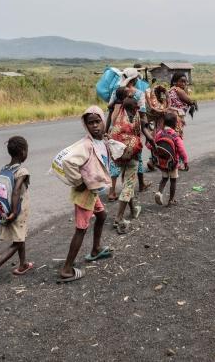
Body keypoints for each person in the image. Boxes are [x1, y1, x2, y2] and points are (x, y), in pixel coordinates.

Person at [58, 106, 113, 283]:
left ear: (103, 122)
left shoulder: (100, 141)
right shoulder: (86, 144)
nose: (95, 126)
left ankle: (96, 249)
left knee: (102, 215)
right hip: (85, 194)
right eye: (91, 123)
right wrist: (79, 182)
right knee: (81, 229)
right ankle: (67, 268)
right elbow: (67, 162)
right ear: (86, 125)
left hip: (92, 192)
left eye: (98, 122)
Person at [0, 136, 33, 287]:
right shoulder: (22, 171)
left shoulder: (4, 169)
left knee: (20, 237)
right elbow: (16, 191)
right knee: (18, 241)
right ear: (23, 152)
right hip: (17, 211)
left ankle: (23, 264)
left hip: (4, 209)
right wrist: (13, 212)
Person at [109, 96, 153, 234]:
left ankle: (133, 210)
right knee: (128, 185)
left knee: (128, 182)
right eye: (136, 107)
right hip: (132, 156)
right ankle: (118, 217)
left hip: (119, 157)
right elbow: (144, 129)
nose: (137, 109)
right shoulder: (135, 118)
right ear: (133, 108)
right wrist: (152, 141)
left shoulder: (119, 116)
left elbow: (111, 131)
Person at [153, 112, 188, 207]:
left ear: (164, 123)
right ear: (175, 124)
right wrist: (185, 161)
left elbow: (151, 145)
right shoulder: (175, 136)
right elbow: (182, 150)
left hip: (162, 162)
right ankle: (171, 200)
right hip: (173, 163)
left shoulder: (159, 133)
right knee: (173, 180)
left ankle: (159, 192)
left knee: (164, 178)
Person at [167, 72, 197, 139]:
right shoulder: (179, 90)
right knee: (177, 138)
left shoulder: (171, 90)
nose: (184, 84)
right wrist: (194, 103)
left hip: (168, 118)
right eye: (182, 81)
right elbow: (191, 102)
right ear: (175, 82)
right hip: (176, 119)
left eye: (185, 82)